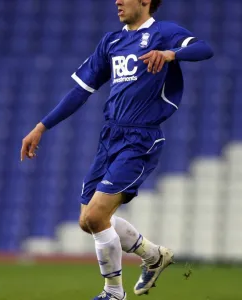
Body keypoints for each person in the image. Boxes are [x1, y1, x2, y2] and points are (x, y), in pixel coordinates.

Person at [20, 0, 214, 299]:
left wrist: (171, 54)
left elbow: (204, 49)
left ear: (145, 1)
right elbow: (80, 91)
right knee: (88, 222)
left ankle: (113, 293)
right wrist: (41, 126)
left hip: (140, 138)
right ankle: (154, 256)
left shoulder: (164, 32)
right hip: (109, 137)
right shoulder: (112, 41)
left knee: (97, 218)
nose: (117, 1)